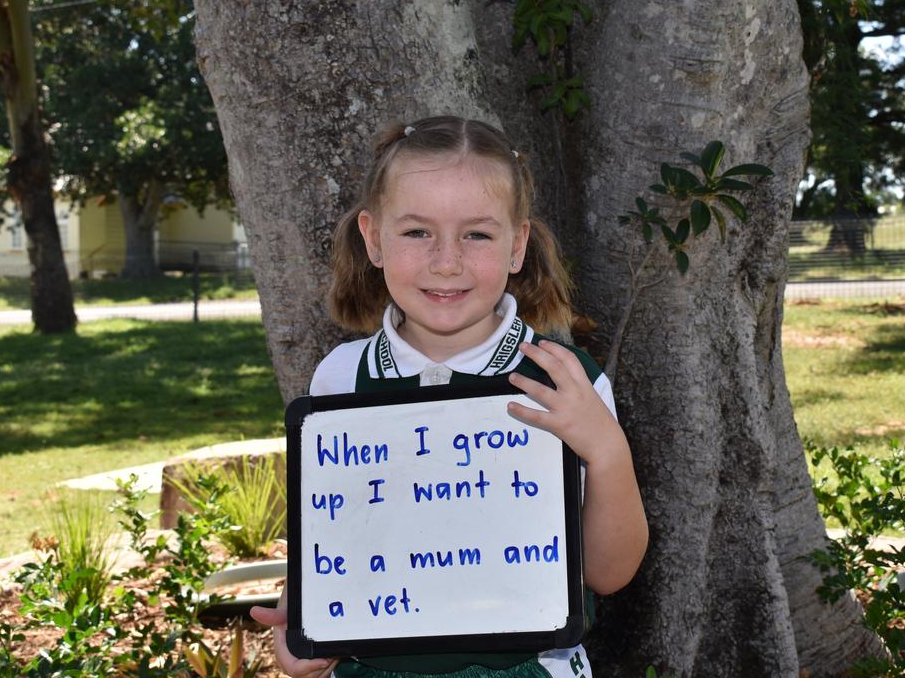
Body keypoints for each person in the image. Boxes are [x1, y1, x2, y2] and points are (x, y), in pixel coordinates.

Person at [251, 116, 649, 678]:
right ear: (373, 238)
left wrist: (608, 452)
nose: (446, 261)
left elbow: (609, 573)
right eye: (417, 232)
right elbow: (336, 532)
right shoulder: (339, 379)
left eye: (477, 234)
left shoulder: (565, 380)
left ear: (517, 245)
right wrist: (309, 621)